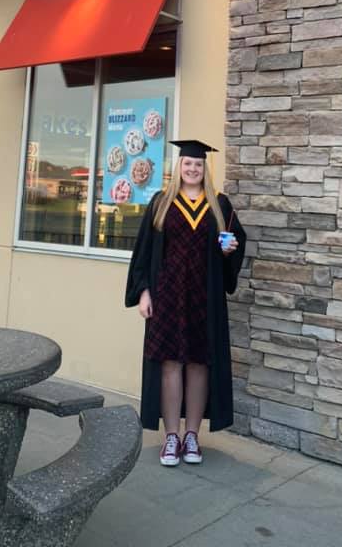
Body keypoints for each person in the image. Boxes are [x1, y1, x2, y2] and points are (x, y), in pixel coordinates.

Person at [125, 139, 246, 467]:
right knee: (170, 364)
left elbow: (235, 243)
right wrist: (144, 292)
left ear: (205, 168)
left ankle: (192, 435)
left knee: (198, 364)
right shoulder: (161, 202)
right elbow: (144, 252)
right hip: (167, 297)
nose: (192, 169)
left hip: (204, 298)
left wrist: (229, 250)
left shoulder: (219, 204)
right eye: (188, 163)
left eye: (198, 164)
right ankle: (172, 437)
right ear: (179, 166)